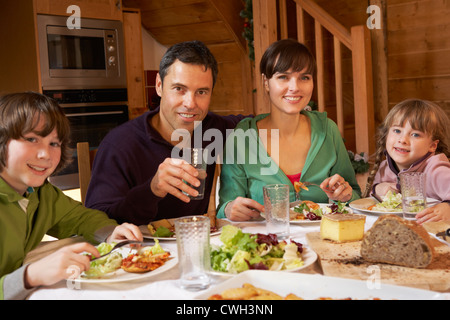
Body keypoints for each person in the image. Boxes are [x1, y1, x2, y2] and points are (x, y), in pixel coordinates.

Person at [85, 41, 247, 225]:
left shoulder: (212, 128)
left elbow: (262, 124)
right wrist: (152, 190)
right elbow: (97, 222)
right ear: (159, 85)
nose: (190, 103)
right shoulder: (120, 144)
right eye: (179, 89)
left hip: (194, 245)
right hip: (139, 251)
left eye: (201, 92)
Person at [0, 92, 143, 300]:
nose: (45, 154)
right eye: (31, 139)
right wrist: (30, 275)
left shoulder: (40, 194)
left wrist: (112, 233)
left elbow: (81, 217)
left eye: (54, 143)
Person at [217, 39, 361, 221]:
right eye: (283, 77)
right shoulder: (242, 137)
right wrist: (230, 209)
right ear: (266, 82)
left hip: (325, 242)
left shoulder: (327, 130)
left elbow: (354, 196)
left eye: (304, 77)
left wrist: (346, 196)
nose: (295, 87)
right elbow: (224, 209)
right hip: (267, 245)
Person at [363, 99, 450, 223]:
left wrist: (448, 208)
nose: (403, 140)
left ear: (432, 145)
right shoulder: (384, 168)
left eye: (415, 135)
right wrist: (378, 189)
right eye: (397, 131)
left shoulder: (436, 170)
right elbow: (369, 203)